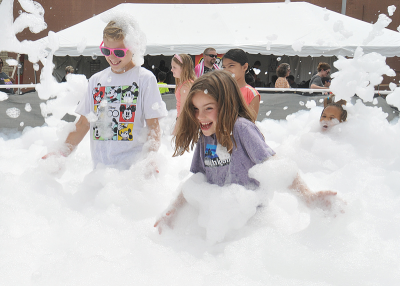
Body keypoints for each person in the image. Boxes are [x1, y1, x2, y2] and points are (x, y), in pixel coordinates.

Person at [154, 70, 338, 232]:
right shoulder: (206, 137)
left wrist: (306, 196)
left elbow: (275, 166)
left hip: (252, 223)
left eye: (208, 108)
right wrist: (174, 210)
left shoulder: (242, 129)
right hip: (219, 223)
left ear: (226, 104)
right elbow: (198, 180)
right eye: (195, 109)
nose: (200, 116)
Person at [42, 19, 168, 169]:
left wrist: (151, 157)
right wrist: (60, 153)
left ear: (134, 47)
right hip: (101, 171)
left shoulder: (145, 79)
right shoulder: (96, 81)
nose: (112, 57)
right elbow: (83, 124)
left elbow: (153, 126)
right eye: (107, 51)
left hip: (132, 169)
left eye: (119, 52)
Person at [222, 49, 260, 120]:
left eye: (231, 65)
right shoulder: (220, 90)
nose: (226, 70)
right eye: (224, 67)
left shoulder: (252, 94)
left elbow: (249, 125)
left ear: (245, 67)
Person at [171, 54, 196, 118]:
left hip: (184, 121)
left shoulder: (186, 86)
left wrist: (178, 126)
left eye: (174, 67)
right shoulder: (183, 84)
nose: (171, 70)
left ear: (183, 68)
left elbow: (183, 112)